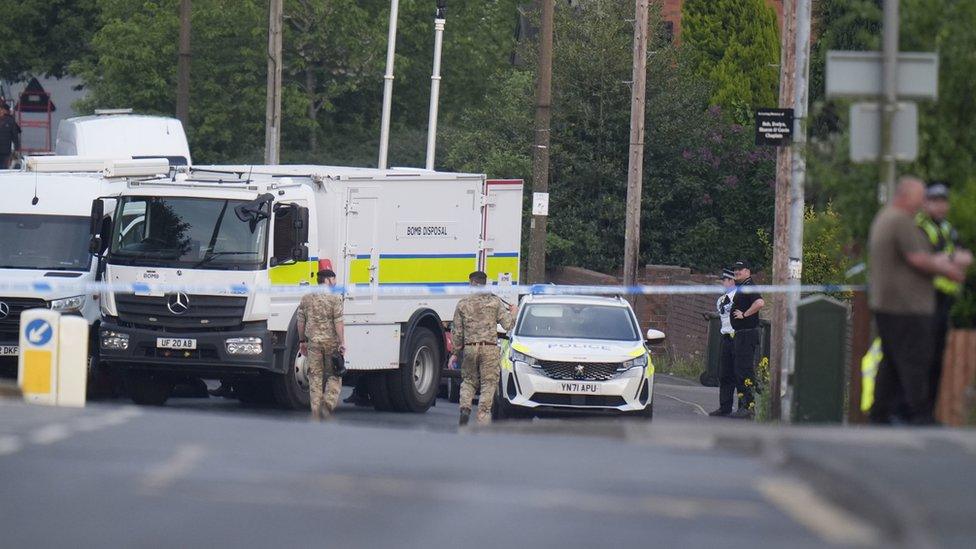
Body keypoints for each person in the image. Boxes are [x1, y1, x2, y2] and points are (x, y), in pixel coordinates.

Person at [867, 176, 966, 425]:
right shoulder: (901, 221)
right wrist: (949, 269)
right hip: (905, 307)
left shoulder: (887, 217)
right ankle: (920, 416)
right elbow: (918, 258)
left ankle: (879, 415)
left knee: (891, 362)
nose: (923, 202)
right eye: (921, 196)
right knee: (916, 360)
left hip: (890, 304)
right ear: (907, 196)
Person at [916, 181, 973, 414]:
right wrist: (952, 258)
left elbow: (964, 256)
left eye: (943, 202)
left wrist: (951, 258)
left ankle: (928, 411)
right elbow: (931, 259)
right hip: (926, 297)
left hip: (944, 299)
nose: (941, 207)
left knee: (937, 357)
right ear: (926, 203)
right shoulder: (922, 227)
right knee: (924, 355)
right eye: (935, 202)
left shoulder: (948, 228)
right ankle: (917, 411)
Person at [450, 271, 516, 426]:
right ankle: (483, 415)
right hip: (489, 348)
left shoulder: (462, 304)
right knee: (489, 382)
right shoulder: (495, 302)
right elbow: (508, 325)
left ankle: (465, 407)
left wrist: (454, 353)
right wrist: (513, 313)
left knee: (468, 381)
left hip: (470, 348)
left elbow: (457, 332)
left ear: (471, 283)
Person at [296, 269, 346, 421]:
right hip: (331, 344)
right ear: (327, 280)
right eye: (334, 279)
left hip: (313, 343)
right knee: (334, 375)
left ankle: (316, 412)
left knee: (315, 377)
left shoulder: (306, 298)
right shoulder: (335, 298)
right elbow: (338, 322)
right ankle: (327, 405)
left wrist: (302, 341)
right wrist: (342, 341)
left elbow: (300, 322)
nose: (335, 282)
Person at [728, 260, 765, 419]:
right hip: (741, 333)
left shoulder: (749, 286)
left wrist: (744, 314)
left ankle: (749, 406)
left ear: (748, 271)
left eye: (740, 270)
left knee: (744, 370)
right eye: (735, 270)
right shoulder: (742, 286)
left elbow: (760, 302)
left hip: (747, 334)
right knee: (739, 370)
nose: (737, 272)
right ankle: (744, 405)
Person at [710, 268, 739, 417]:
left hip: (737, 338)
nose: (723, 283)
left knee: (739, 373)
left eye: (725, 280)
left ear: (731, 281)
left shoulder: (739, 297)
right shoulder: (721, 300)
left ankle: (744, 408)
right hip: (726, 337)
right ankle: (725, 407)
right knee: (724, 374)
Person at [0, 102, 21, 168]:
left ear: (3, 110)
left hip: (5, 151)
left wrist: (17, 149)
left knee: (3, 169)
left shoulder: (10, 121)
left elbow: (15, 136)